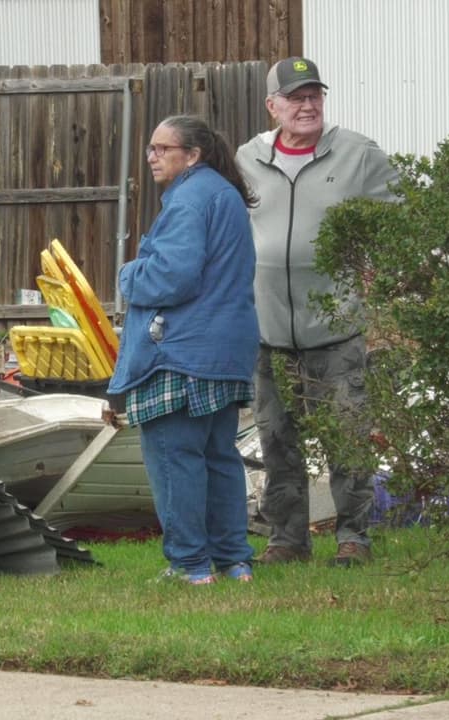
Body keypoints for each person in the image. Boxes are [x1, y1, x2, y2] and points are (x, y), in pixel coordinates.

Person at [236, 57, 399, 567]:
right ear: (273, 106)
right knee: (277, 439)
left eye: (314, 95)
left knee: (348, 438)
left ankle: (353, 537)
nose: (307, 105)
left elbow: (400, 215)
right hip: (268, 331)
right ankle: (287, 540)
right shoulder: (246, 159)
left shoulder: (356, 153)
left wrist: (381, 275)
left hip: (337, 328)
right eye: (295, 97)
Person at [108, 115, 260, 585]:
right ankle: (234, 562)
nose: (151, 157)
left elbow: (172, 276)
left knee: (176, 459)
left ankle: (190, 566)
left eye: (161, 149)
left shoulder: (190, 199)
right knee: (219, 458)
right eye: (150, 148)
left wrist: (128, 274)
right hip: (223, 350)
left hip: (179, 352)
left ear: (191, 155)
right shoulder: (222, 193)